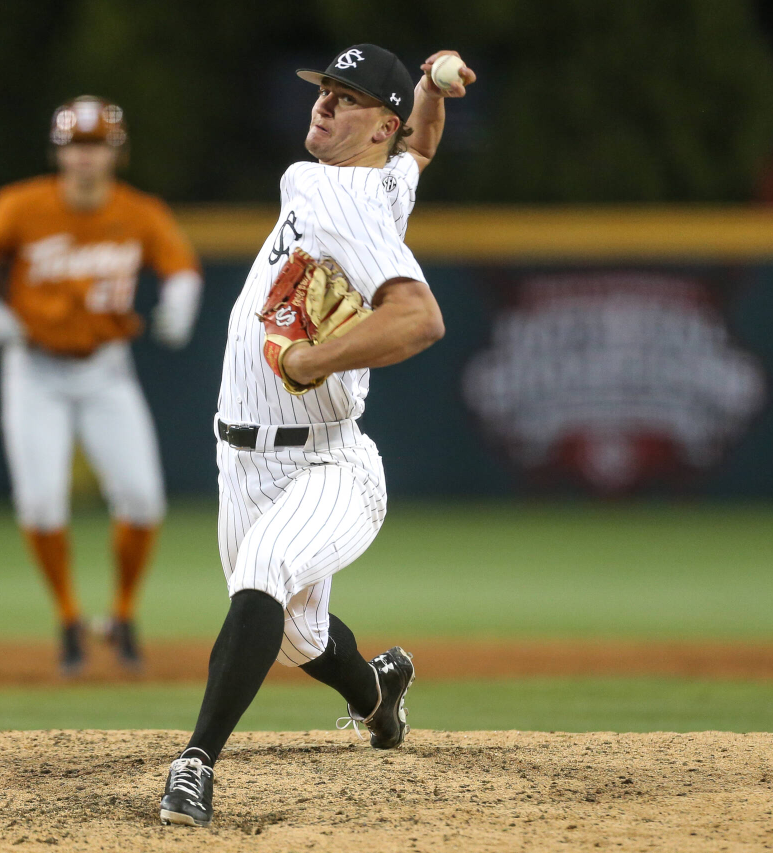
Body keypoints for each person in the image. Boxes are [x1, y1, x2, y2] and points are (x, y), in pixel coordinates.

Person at [158, 45, 474, 827]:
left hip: (331, 461)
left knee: (262, 572)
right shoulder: (370, 183)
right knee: (297, 636)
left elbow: (420, 318)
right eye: (326, 89)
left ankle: (194, 763)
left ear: (379, 125)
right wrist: (434, 85)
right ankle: (378, 695)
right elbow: (422, 150)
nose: (325, 104)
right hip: (244, 461)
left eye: (349, 97)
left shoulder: (341, 197)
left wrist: (312, 357)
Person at [0, 96, 204, 675]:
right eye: (75, 146)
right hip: (34, 368)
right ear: (59, 152)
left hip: (104, 368)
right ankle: (69, 616)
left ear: (114, 152)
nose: (85, 158)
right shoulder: (22, 205)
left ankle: (121, 613)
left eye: (95, 145)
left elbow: (181, 265)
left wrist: (181, 300)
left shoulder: (138, 212)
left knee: (143, 499)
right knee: (42, 504)